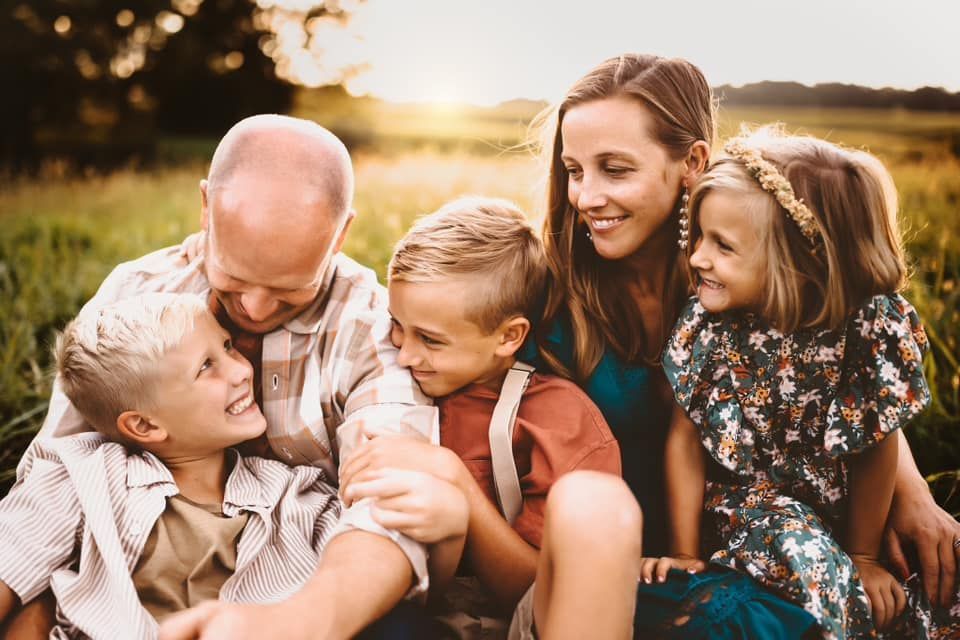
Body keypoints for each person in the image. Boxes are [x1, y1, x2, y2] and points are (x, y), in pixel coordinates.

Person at [526, 53, 960, 634]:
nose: (586, 196)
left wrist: (910, 490)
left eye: (615, 169)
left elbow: (846, 381)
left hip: (793, 522)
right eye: (575, 170)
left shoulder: (745, 276)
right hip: (647, 559)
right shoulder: (554, 300)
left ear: (693, 162)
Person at [11, 115, 438, 640]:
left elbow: (393, 506)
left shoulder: (372, 328)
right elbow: (55, 474)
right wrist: (34, 608)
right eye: (233, 277)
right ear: (206, 206)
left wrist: (300, 623)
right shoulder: (139, 296)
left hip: (305, 587)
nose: (255, 310)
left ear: (341, 232)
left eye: (289, 288)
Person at [645, 127, 960, 639]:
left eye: (723, 246)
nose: (699, 257)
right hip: (757, 512)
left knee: (930, 581)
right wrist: (685, 554)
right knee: (802, 547)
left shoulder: (866, 328)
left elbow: (874, 443)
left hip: (852, 508)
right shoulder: (709, 326)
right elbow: (685, 439)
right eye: (699, 237)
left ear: (800, 263)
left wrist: (863, 553)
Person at [337, 197, 638, 639]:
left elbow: (541, 590)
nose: (404, 353)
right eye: (397, 325)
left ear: (509, 337)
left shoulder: (557, 420)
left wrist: (457, 483)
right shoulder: (395, 388)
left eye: (431, 340)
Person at [0, 293, 345, 638]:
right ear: (145, 426)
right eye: (205, 367)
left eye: (226, 346)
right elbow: (11, 558)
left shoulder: (292, 496)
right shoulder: (81, 476)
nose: (242, 370)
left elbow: (370, 554)